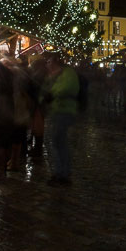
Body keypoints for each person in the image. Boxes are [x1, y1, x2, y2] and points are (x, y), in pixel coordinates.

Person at [42, 53, 79, 185]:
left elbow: (66, 89)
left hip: (65, 111)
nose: (48, 65)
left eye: (49, 62)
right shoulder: (56, 75)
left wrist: (52, 93)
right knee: (58, 142)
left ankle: (61, 174)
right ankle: (62, 172)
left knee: (58, 142)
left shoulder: (68, 73)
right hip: (57, 110)